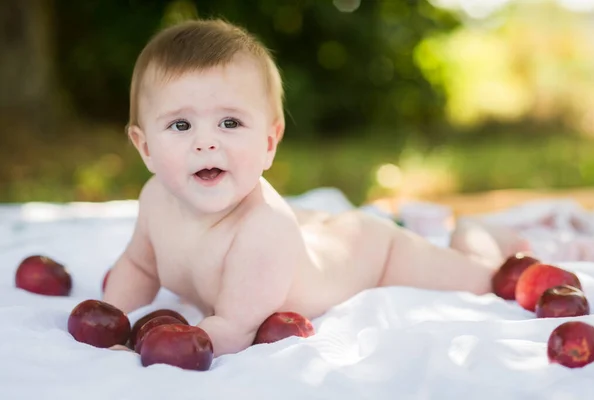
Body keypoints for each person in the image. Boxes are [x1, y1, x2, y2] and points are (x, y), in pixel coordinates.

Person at [103, 18, 529, 357]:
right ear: (145, 148)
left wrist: (158, 348)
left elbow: (231, 328)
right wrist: (111, 321)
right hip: (321, 240)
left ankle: (479, 236)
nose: (206, 141)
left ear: (269, 143)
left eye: (230, 122)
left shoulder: (261, 228)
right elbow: (139, 267)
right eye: (180, 124)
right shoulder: (154, 200)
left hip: (374, 254)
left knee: (483, 280)